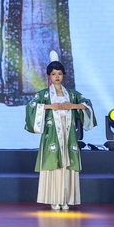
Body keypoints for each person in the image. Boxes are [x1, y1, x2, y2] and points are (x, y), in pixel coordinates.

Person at [25, 59, 96, 210]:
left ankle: (66, 199)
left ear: (63, 75)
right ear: (49, 76)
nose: (57, 77)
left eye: (59, 73)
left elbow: (87, 104)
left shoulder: (72, 94)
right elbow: (31, 106)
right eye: (53, 74)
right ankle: (54, 199)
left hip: (68, 134)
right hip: (52, 134)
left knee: (67, 163)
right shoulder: (44, 95)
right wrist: (49, 106)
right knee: (54, 163)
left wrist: (72, 106)